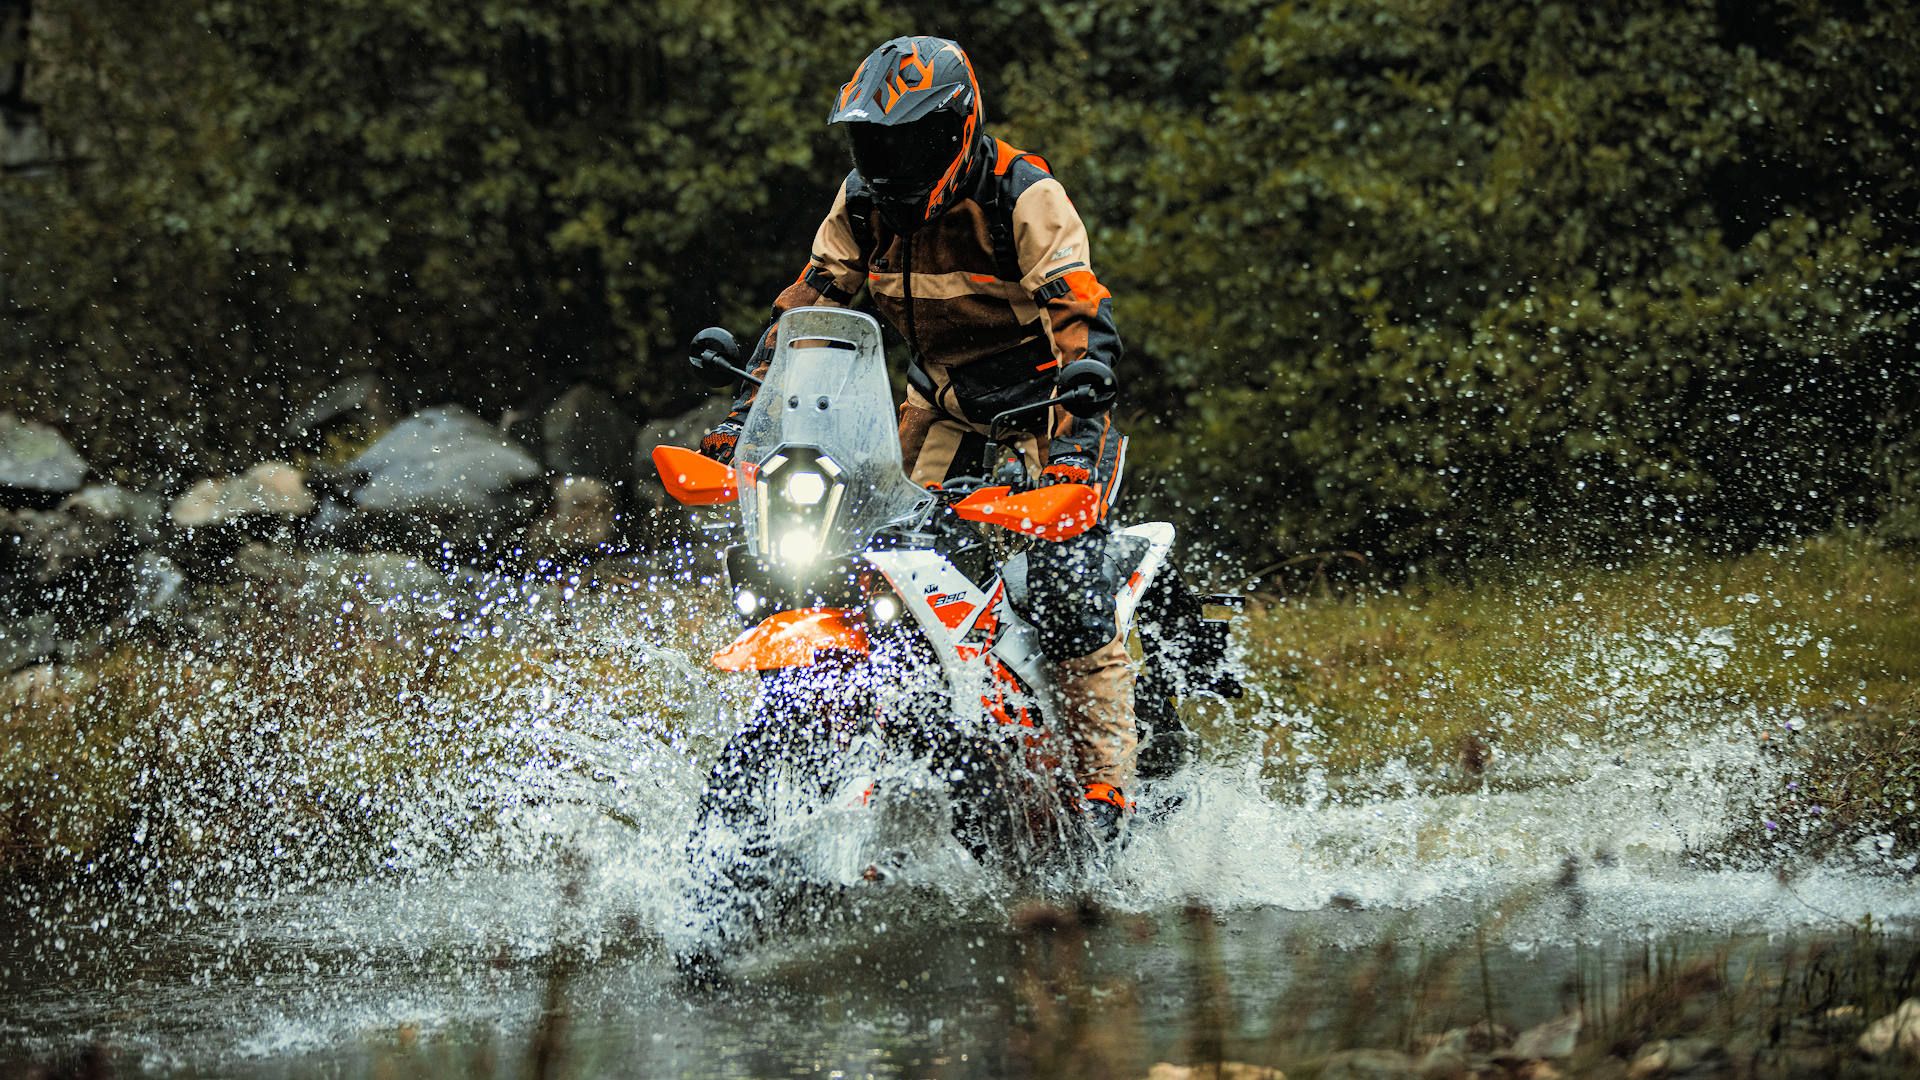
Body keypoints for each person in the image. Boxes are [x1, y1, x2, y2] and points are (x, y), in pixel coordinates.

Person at [698, 35, 1136, 839]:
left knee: (1067, 579)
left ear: (958, 129)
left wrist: (1075, 439)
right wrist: (740, 420)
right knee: (856, 550)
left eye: (908, 143)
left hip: (1052, 409)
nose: (888, 163)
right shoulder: (862, 203)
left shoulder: (1022, 194)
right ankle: (901, 731)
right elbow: (809, 305)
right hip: (938, 408)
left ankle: (1106, 790)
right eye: (873, 144)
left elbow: (1079, 313)